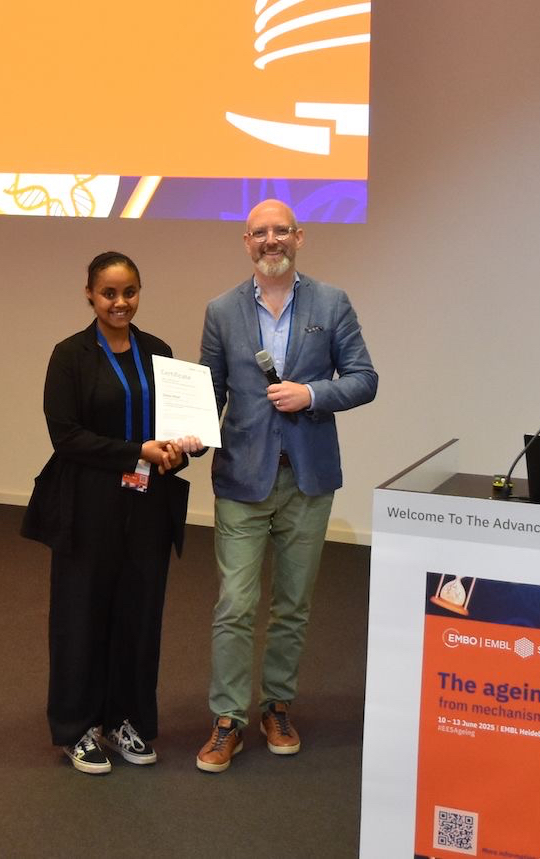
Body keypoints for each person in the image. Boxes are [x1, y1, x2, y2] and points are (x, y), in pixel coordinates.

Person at [195, 199, 377, 772]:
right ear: (246, 242)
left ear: (299, 237)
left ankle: (276, 706)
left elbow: (364, 379)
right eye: (259, 233)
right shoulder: (221, 310)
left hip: (308, 478)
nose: (270, 240)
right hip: (242, 477)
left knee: (292, 605)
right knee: (235, 604)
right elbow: (210, 390)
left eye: (280, 231)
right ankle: (228, 718)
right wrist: (190, 434)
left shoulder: (331, 302)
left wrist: (312, 394)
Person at [22, 251, 200, 773]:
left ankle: (126, 721)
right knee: (80, 617)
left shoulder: (158, 351)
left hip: (148, 506)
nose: (120, 303)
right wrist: (136, 451)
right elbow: (66, 437)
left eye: (129, 292)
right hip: (88, 505)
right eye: (109, 293)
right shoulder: (70, 355)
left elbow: (177, 427)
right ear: (90, 295)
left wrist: (180, 449)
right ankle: (76, 728)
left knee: (139, 618)